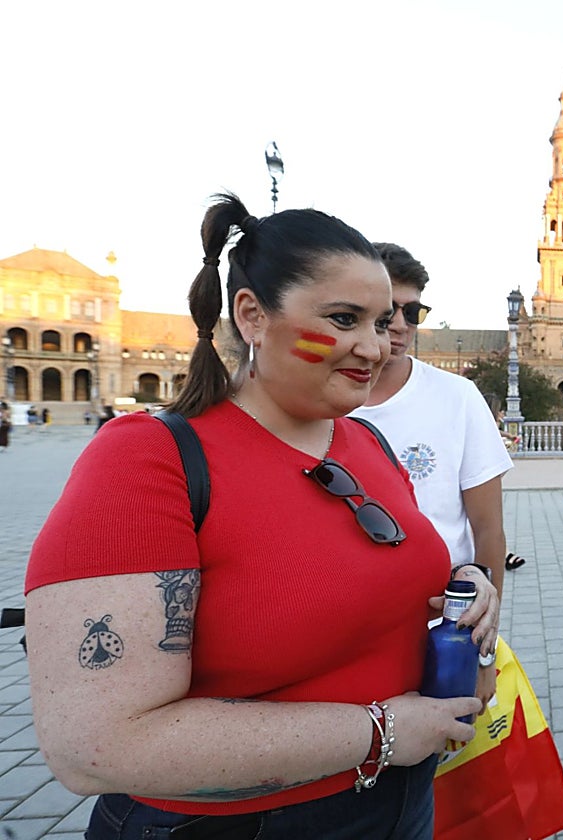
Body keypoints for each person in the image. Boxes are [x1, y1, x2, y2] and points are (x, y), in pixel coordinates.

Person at [24, 193, 499, 840]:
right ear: (251, 316)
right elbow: (96, 744)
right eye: (343, 318)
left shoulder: (369, 446)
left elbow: (383, 590)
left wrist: (469, 596)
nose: (374, 345)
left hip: (399, 803)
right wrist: (380, 730)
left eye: (384, 321)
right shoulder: (147, 460)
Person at [351, 241, 515, 700]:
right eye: (386, 314)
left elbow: (489, 531)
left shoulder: (457, 397)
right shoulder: (321, 404)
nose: (400, 326)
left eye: (412, 312)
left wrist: (485, 652)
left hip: (443, 631)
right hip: (348, 636)